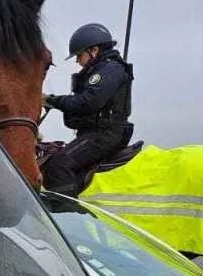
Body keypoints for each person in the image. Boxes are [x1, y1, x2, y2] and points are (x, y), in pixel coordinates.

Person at [40, 23, 134, 196]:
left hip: (104, 135)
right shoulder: (103, 69)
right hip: (95, 133)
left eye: (79, 55)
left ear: (94, 50)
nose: (77, 61)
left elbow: (89, 102)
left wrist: (52, 100)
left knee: (58, 165)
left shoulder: (110, 69)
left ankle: (66, 214)